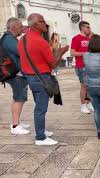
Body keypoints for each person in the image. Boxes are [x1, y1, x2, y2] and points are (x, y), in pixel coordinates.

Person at [18, 13, 69, 145]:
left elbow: (31, 59)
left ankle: (42, 131)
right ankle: (40, 137)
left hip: (31, 77)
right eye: (42, 21)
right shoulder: (41, 41)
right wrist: (61, 53)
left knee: (39, 106)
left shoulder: (22, 40)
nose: (45, 24)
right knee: (41, 109)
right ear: (35, 24)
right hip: (41, 78)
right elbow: (53, 64)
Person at [3, 17, 30, 134]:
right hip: (16, 73)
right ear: (13, 27)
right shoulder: (9, 39)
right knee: (19, 98)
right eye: (20, 26)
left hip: (16, 72)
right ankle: (15, 126)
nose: (22, 28)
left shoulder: (10, 38)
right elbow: (22, 52)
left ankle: (16, 121)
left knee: (17, 98)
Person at [70, 21, 93, 114]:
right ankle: (83, 105)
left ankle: (89, 103)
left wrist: (90, 33)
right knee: (84, 86)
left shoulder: (89, 38)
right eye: (87, 27)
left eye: (89, 27)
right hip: (81, 66)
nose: (89, 29)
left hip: (90, 65)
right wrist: (83, 54)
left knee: (90, 86)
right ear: (82, 28)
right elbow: (72, 53)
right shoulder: (76, 38)